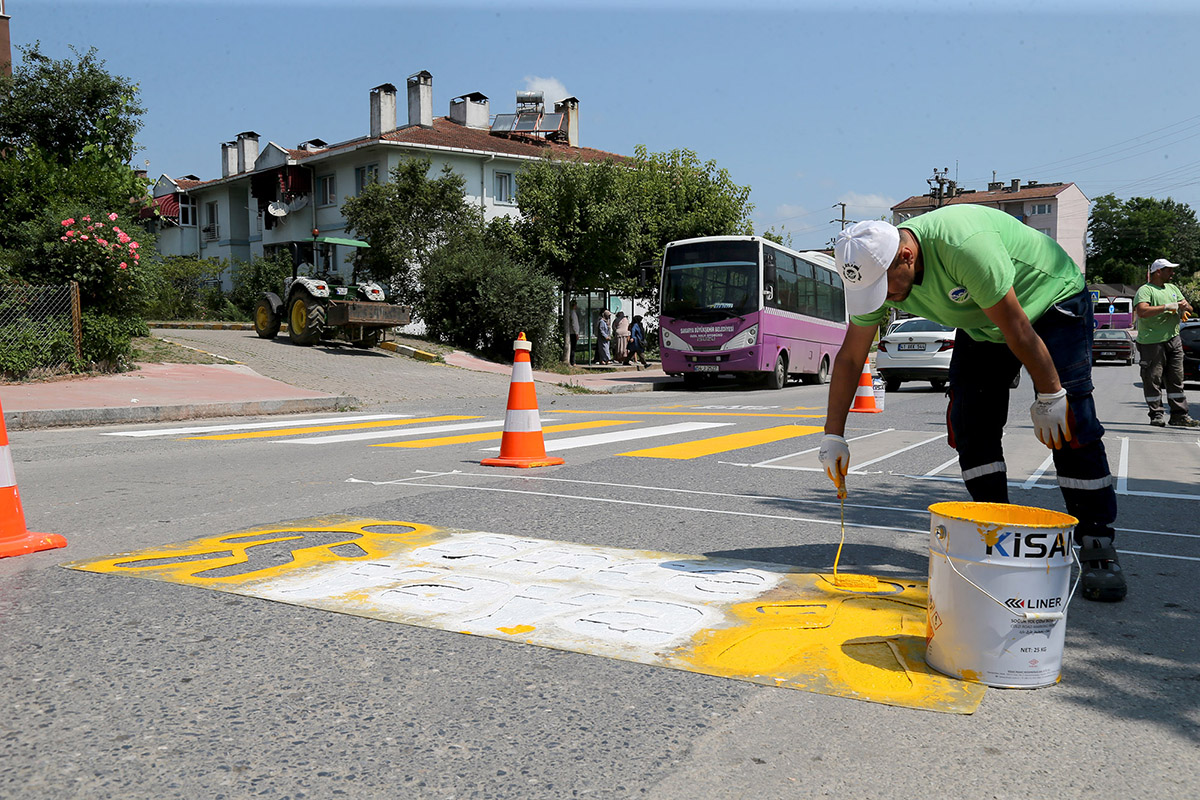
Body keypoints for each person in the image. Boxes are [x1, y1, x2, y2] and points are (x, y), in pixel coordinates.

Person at [817, 206, 1126, 602]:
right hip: (984, 322)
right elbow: (850, 356)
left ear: (907, 256)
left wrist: (1050, 394)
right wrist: (833, 435)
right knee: (969, 423)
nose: (887, 299)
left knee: (1070, 422)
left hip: (1049, 303)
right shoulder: (878, 270)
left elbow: (1017, 327)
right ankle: (997, 534)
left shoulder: (963, 246)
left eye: (887, 288)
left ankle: (1097, 542)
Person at [1133, 258, 1198, 428]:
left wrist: (1185, 306)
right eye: (1169, 270)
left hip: (1174, 339)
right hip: (1152, 342)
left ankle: (1179, 415)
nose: (1173, 273)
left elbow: (1189, 308)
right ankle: (1156, 414)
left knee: (1176, 378)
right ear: (1158, 272)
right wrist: (1166, 307)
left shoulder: (1173, 288)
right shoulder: (1146, 290)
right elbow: (1142, 311)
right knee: (1153, 378)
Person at [568, 299, 583, 366]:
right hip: (573, 333)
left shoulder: (570, 312)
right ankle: (573, 361)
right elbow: (575, 324)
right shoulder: (573, 313)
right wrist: (576, 333)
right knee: (573, 348)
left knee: (572, 347)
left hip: (572, 332)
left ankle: (572, 361)